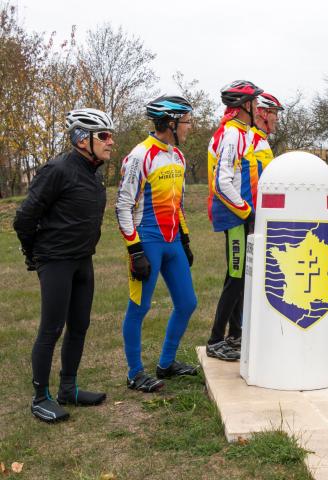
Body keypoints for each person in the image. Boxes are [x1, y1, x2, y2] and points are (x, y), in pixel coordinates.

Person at [14, 108, 114, 423]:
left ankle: (68, 388)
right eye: (105, 136)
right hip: (56, 260)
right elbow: (24, 217)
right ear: (82, 139)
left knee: (80, 325)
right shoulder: (57, 170)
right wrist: (35, 253)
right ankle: (40, 397)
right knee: (51, 328)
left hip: (83, 260)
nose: (111, 142)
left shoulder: (93, 173)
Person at [115, 95, 198, 392]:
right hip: (146, 240)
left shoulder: (178, 156)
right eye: (187, 121)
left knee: (188, 303)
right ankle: (135, 373)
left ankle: (166, 363)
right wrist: (134, 249)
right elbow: (123, 206)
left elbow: (179, 204)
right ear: (171, 123)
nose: (191, 127)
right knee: (139, 307)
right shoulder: (140, 156)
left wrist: (185, 239)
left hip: (172, 240)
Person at [206, 80, 263, 361]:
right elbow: (222, 181)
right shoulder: (231, 134)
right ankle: (216, 339)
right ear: (244, 107)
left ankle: (233, 334)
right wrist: (246, 212)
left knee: (240, 277)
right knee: (236, 276)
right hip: (233, 215)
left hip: (239, 213)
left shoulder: (242, 132)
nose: (258, 107)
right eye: (254, 103)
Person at [252, 92, 284, 176]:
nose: (277, 118)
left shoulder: (262, 139)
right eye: (275, 113)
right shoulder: (249, 138)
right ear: (264, 113)